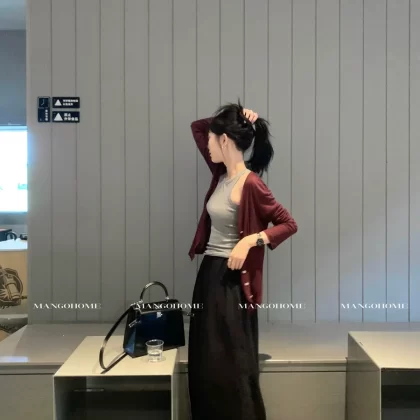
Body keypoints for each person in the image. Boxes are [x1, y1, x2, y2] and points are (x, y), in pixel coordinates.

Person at [187, 100, 298, 420]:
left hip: (233, 283)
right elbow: (198, 127)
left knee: (230, 367)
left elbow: (288, 224)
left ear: (224, 140)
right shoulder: (220, 173)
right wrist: (239, 116)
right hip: (209, 276)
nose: (207, 144)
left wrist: (251, 240)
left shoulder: (251, 184)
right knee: (204, 362)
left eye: (212, 139)